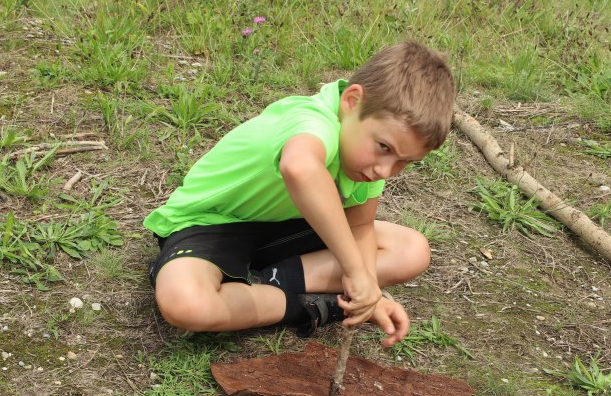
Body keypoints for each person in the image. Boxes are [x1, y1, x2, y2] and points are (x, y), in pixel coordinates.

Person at [143, 42, 455, 347]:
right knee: (184, 303)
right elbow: (300, 167)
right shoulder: (312, 119)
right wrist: (356, 271)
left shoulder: (369, 161)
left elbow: (360, 227)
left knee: (410, 250)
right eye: (384, 148)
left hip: (288, 226)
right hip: (211, 224)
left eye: (404, 161)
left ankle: (268, 283)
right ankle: (317, 306)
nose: (386, 171)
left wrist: (367, 291)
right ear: (351, 102)